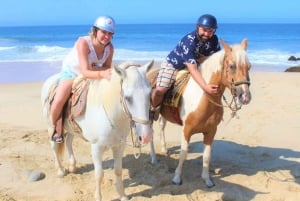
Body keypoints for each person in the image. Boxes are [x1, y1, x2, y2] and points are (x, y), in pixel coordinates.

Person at [49, 15, 115, 143]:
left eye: (110, 34)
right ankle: (54, 127)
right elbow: (85, 71)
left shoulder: (109, 48)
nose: (107, 36)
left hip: (93, 73)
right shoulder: (84, 43)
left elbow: (107, 66)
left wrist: (98, 70)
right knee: (59, 99)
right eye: (103, 32)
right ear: (95, 31)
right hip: (73, 72)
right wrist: (100, 72)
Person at [150, 14, 221, 120]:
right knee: (160, 91)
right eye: (204, 30)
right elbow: (193, 69)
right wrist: (206, 88)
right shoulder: (189, 41)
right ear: (198, 27)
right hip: (175, 65)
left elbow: (218, 58)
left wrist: (206, 59)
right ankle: (152, 110)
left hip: (197, 64)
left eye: (210, 31)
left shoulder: (214, 40)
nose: (206, 33)